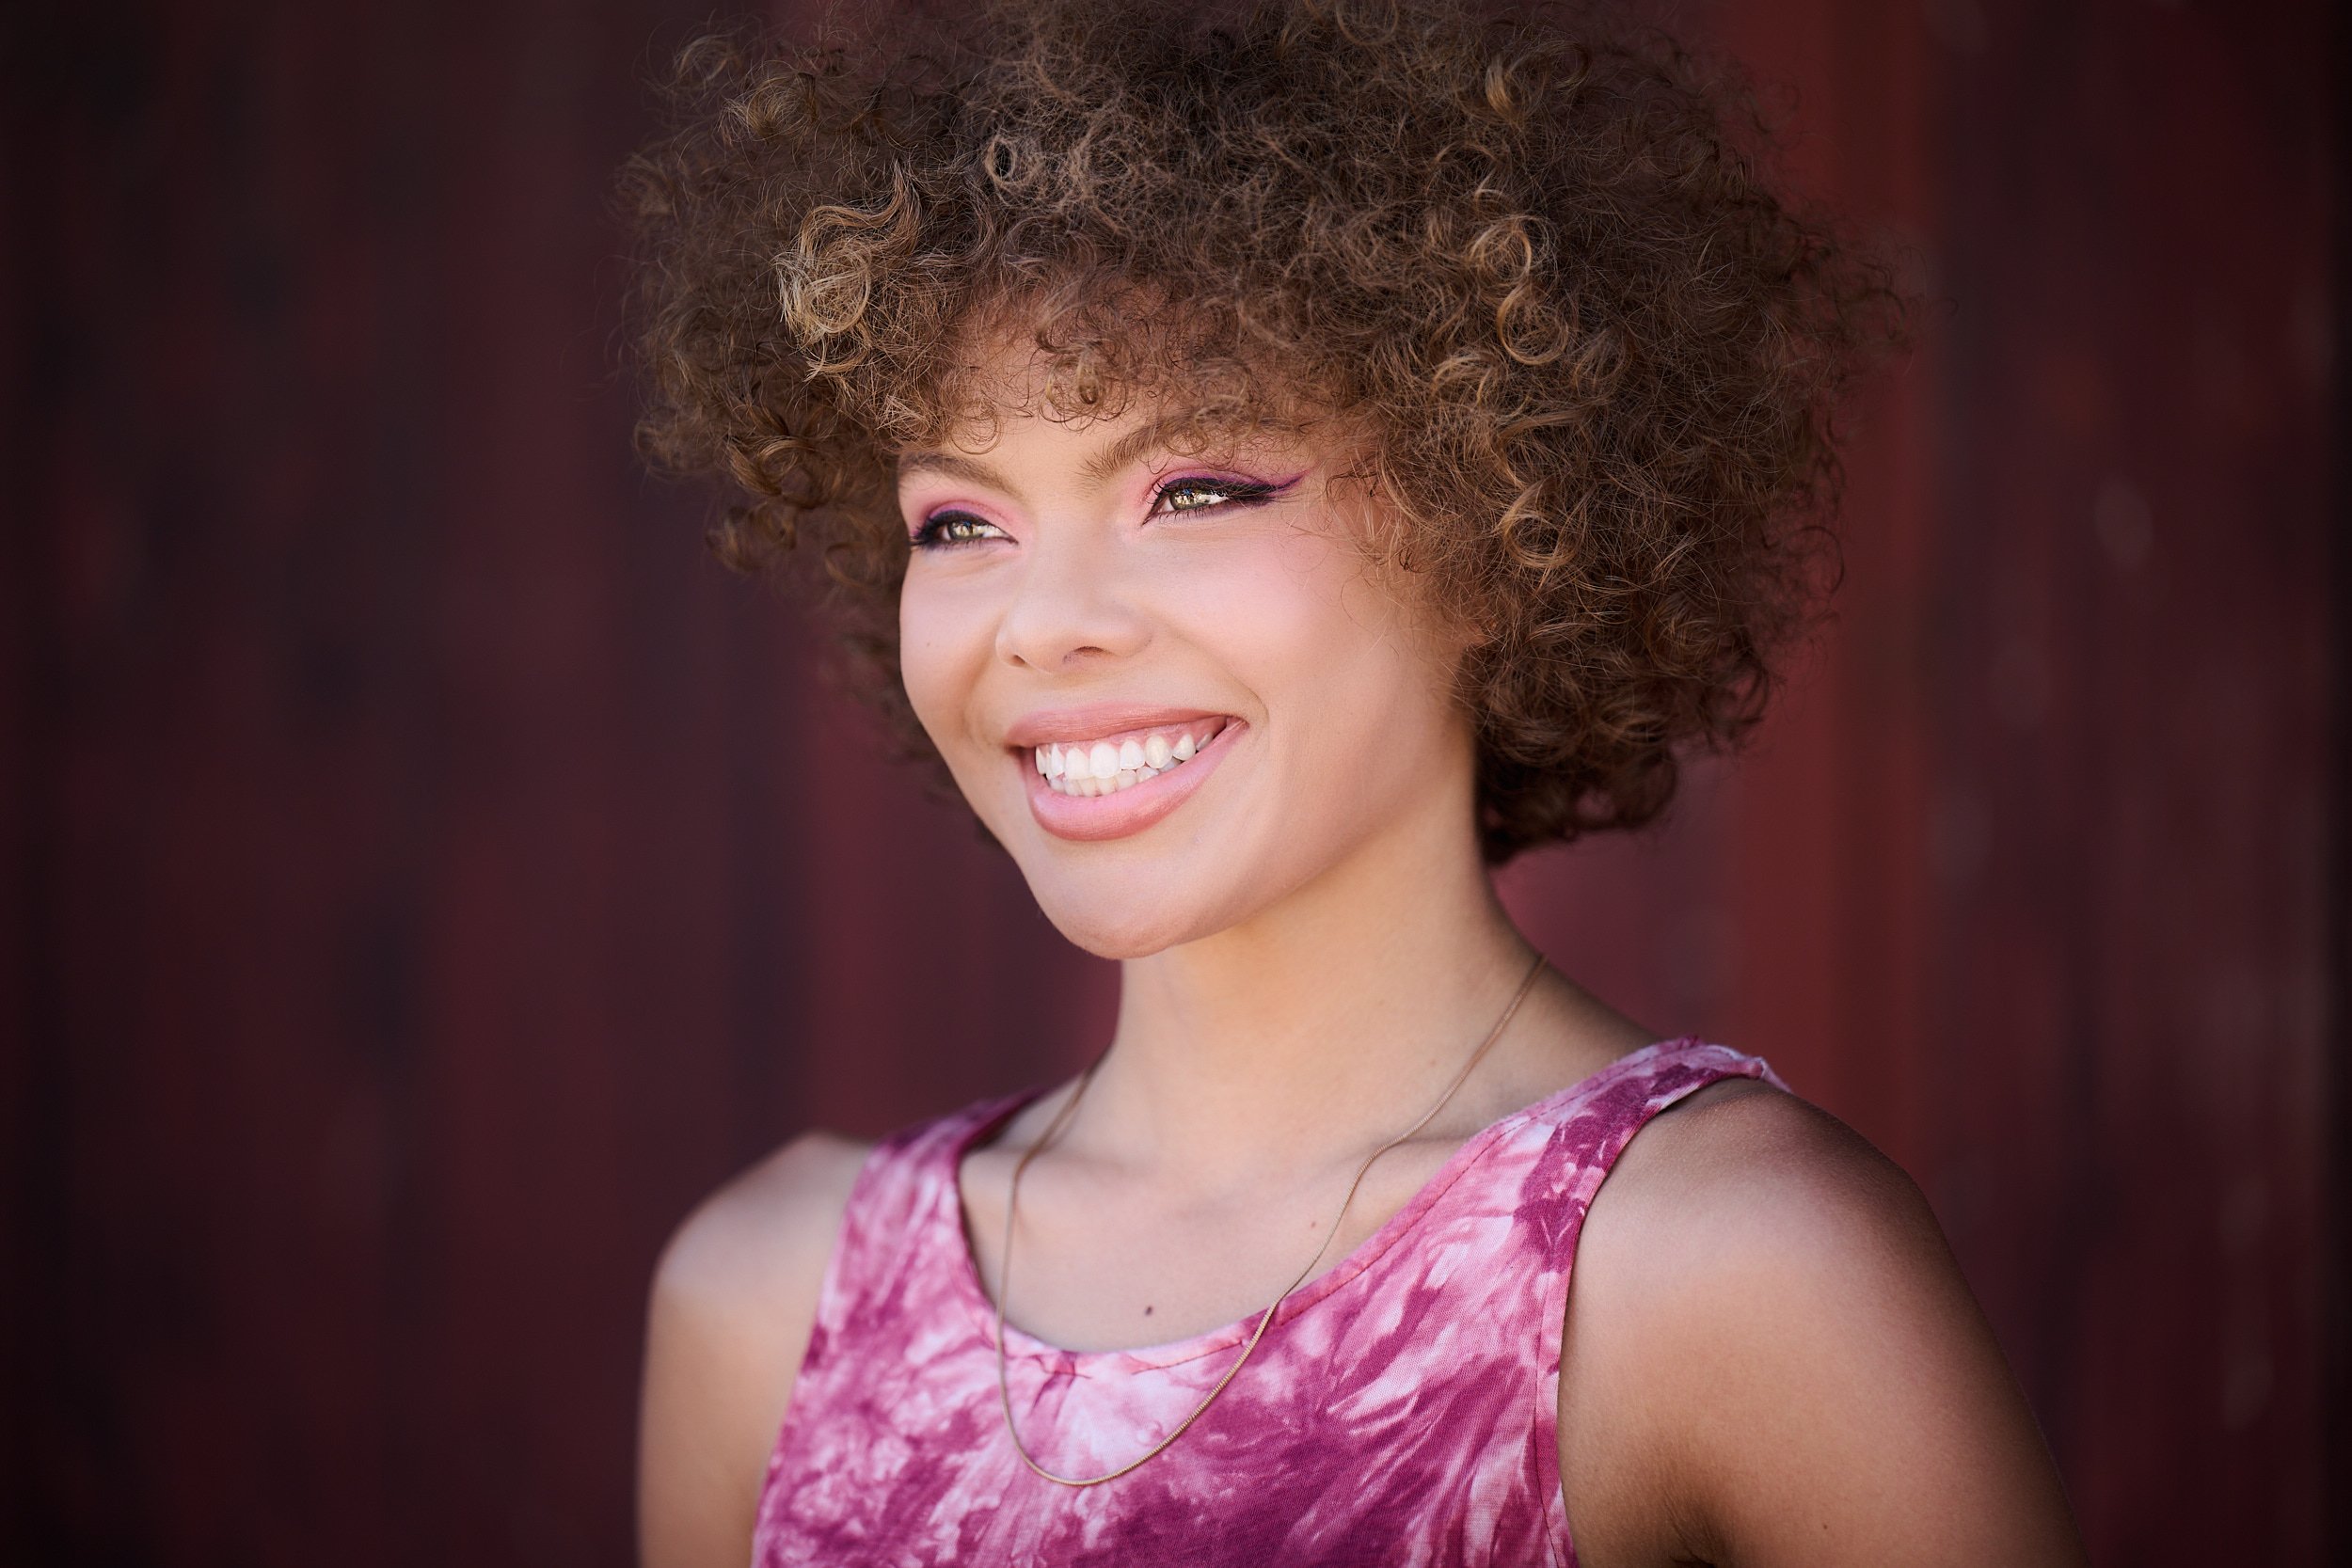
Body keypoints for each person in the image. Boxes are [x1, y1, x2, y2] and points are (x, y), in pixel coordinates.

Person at [623, 0, 2088, 1561]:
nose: (1041, 627)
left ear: (1507, 524)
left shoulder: (1723, 1278)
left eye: (1195, 489)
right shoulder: (769, 1306)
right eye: (961, 522)